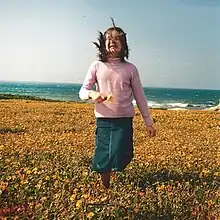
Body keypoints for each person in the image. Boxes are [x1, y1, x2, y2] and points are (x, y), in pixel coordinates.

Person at [79, 18, 156, 189]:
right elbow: (82, 91)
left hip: (124, 120)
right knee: (103, 155)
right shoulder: (97, 66)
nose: (112, 42)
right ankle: (106, 186)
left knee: (123, 154)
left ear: (124, 45)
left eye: (117, 39)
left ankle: (114, 166)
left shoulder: (131, 69)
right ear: (103, 45)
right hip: (104, 120)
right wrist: (93, 94)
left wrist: (148, 122)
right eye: (108, 39)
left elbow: (140, 96)